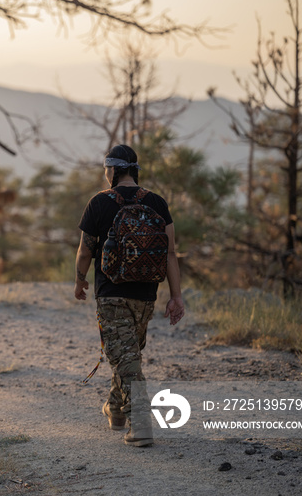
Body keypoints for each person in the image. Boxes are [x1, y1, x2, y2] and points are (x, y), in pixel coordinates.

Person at [74, 144, 185, 447]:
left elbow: (85, 250)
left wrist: (80, 280)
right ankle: (115, 410)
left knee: (125, 359)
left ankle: (141, 424)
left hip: (111, 296)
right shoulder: (157, 203)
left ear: (111, 171)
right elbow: (171, 254)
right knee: (127, 356)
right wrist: (176, 297)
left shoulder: (98, 203)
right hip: (146, 296)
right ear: (134, 170)